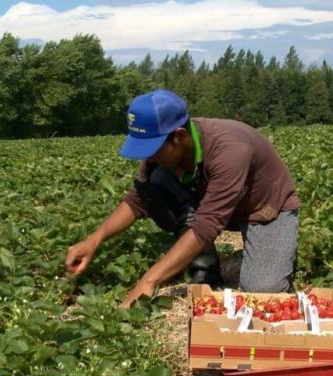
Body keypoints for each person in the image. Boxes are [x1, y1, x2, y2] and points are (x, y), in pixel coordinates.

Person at [65, 89, 300, 308]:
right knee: (154, 183)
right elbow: (138, 199)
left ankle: (245, 259)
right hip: (213, 201)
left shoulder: (230, 150)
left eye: (154, 149)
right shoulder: (162, 150)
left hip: (263, 209)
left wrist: (148, 281)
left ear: (179, 136)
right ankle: (207, 263)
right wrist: (93, 240)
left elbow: (208, 223)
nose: (150, 156)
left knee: (262, 291)